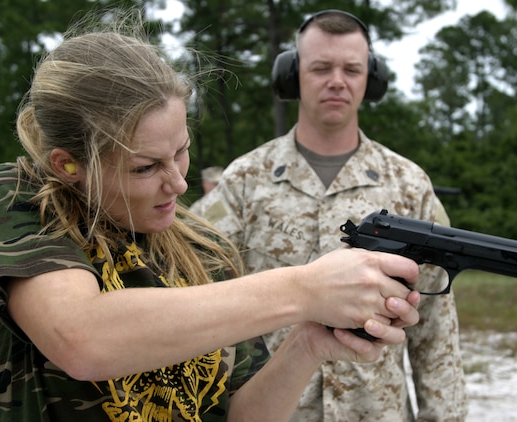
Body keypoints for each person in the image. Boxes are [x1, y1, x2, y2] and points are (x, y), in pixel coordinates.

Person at [0, 10, 423, 422]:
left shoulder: (204, 248)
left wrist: (306, 345)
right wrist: (304, 289)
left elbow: (241, 413)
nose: (178, 184)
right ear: (67, 165)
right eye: (146, 167)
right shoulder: (18, 197)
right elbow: (81, 338)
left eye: (181, 152)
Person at [190, 9, 467, 422]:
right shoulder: (246, 180)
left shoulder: (409, 184)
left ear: (370, 80)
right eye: (321, 68)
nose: (337, 80)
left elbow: (435, 327)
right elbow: (194, 285)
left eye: (351, 69)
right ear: (292, 75)